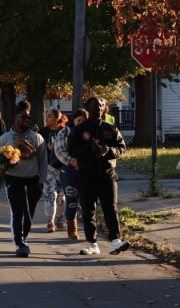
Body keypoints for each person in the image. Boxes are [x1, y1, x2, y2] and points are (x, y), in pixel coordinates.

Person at [68, 97, 129, 255]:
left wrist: (109, 151)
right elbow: (72, 149)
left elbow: (121, 147)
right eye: (95, 106)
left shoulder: (110, 128)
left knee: (111, 208)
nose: (99, 109)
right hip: (87, 176)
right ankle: (92, 244)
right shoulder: (80, 130)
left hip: (107, 175)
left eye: (101, 106)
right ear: (88, 108)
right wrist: (90, 149)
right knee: (88, 210)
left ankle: (115, 241)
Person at [0, 100, 48, 258]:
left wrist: (41, 182)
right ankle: (20, 243)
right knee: (17, 212)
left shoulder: (37, 139)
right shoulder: (5, 138)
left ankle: (24, 237)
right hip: (13, 180)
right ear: (15, 118)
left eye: (28, 118)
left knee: (28, 213)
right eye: (23, 117)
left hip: (33, 181)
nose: (26, 120)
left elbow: (44, 161)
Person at [53, 108, 88, 240]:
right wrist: (72, 161)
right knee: (71, 200)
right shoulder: (65, 132)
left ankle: (90, 229)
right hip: (69, 170)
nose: (81, 123)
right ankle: (72, 230)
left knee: (86, 200)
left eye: (84, 121)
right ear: (73, 120)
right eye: (79, 120)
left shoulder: (88, 133)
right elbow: (59, 150)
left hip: (86, 169)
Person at [40, 109, 67, 233]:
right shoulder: (43, 132)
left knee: (61, 196)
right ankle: (50, 222)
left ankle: (59, 220)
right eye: (46, 116)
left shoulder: (64, 132)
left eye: (49, 116)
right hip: (48, 168)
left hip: (62, 168)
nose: (46, 118)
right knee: (51, 194)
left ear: (57, 119)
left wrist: (54, 148)